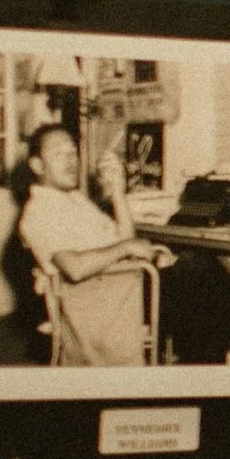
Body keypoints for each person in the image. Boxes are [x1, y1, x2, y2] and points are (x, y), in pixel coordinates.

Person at [15, 119, 167, 365]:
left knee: (202, 274)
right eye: (59, 154)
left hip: (121, 288)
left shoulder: (74, 199)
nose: (71, 160)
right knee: (207, 282)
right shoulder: (39, 211)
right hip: (97, 306)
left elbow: (126, 242)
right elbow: (75, 269)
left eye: (73, 152)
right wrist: (127, 248)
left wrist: (117, 190)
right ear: (37, 165)